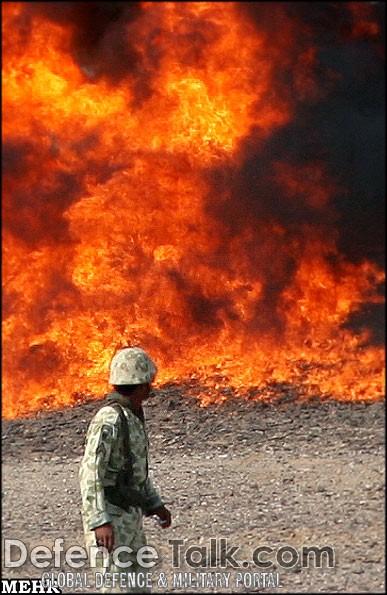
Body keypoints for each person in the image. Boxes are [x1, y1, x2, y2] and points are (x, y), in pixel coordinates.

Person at [79, 346, 171, 593]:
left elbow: (134, 470)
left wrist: (154, 504)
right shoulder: (109, 419)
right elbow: (90, 473)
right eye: (146, 385)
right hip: (111, 519)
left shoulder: (132, 418)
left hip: (130, 519)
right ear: (138, 384)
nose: (150, 391)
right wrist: (100, 521)